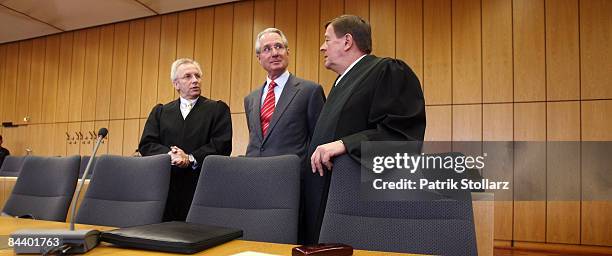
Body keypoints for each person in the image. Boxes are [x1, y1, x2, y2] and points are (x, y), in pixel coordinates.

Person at [304, 15, 426, 244]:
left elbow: (401, 137)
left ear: (347, 41)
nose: (322, 47)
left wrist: (345, 144)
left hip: (357, 208)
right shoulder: (342, 82)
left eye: (327, 39)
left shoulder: (387, 70)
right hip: (325, 202)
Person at [244, 28, 325, 244]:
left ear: (288, 52)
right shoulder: (250, 98)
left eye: (279, 46)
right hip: (255, 182)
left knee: (289, 241)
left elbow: (318, 140)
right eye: (267, 49)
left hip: (292, 184)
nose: (274, 52)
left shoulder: (310, 90)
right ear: (259, 57)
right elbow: (257, 141)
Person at [139, 58, 232, 221]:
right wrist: (171, 155)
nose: (195, 80)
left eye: (197, 76)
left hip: (201, 188)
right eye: (188, 76)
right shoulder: (161, 112)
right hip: (165, 188)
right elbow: (147, 144)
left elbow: (222, 145)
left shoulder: (217, 109)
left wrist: (189, 158)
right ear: (176, 84)